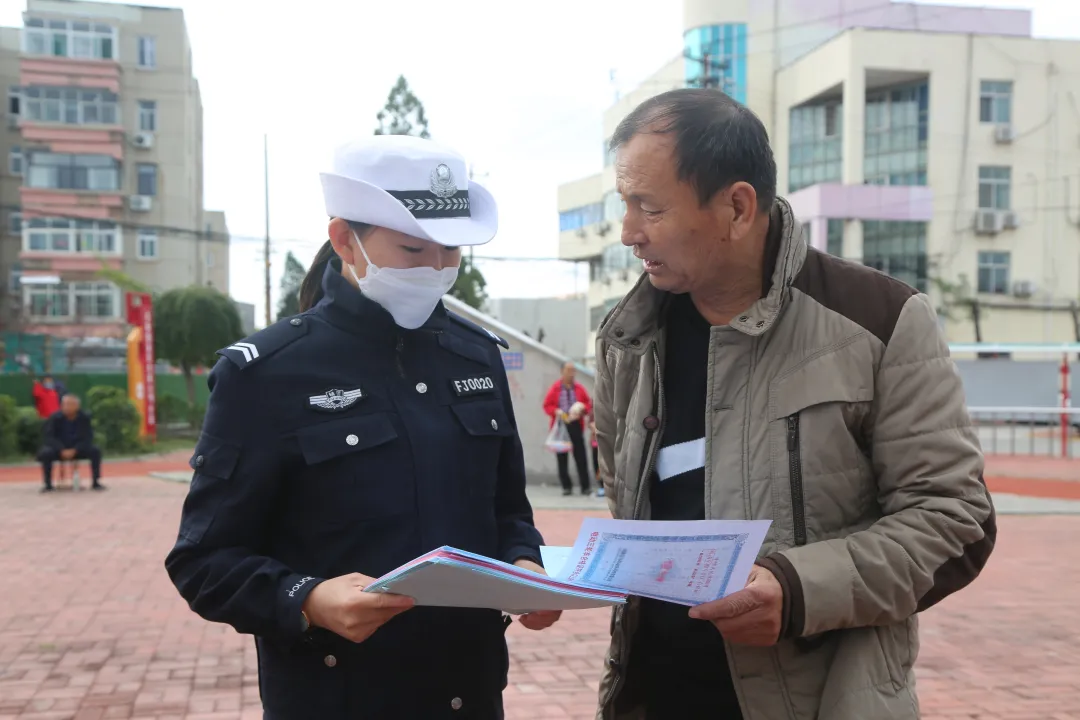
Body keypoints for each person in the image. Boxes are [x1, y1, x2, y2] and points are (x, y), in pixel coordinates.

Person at [591, 88, 996, 719]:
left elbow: (953, 520)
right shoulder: (629, 337)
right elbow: (625, 500)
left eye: (650, 207)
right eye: (625, 204)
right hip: (654, 695)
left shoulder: (879, 321)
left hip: (821, 700)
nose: (628, 233)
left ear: (736, 206)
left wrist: (798, 588)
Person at [164, 134, 561, 720]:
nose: (436, 269)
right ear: (344, 240)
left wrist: (526, 566)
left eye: (451, 252)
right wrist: (308, 599)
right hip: (338, 697)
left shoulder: (476, 357)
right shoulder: (267, 374)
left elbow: (506, 510)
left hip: (469, 694)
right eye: (411, 250)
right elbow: (204, 562)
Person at [542, 362, 593, 496]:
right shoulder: (556, 388)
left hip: (576, 424)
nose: (572, 373)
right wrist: (556, 411)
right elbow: (547, 405)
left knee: (581, 456)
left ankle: (585, 486)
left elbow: (588, 404)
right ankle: (566, 486)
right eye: (569, 370)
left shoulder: (579, 388)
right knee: (562, 457)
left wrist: (582, 410)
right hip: (561, 425)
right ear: (562, 372)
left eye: (573, 370)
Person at [38, 393, 105, 492]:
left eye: (70, 404)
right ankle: (48, 484)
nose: (66, 407)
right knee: (46, 453)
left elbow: (88, 437)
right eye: (64, 404)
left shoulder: (84, 418)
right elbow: (49, 437)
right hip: (58, 449)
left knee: (95, 450)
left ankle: (96, 482)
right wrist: (61, 449)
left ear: (77, 406)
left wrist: (76, 449)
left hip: (77, 449)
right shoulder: (54, 418)